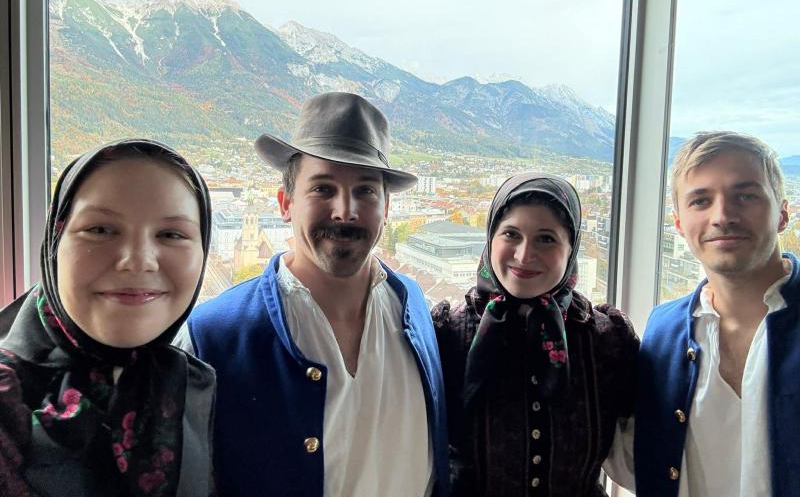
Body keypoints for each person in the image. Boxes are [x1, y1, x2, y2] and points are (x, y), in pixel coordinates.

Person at [176, 92, 449, 496]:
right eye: (323, 188)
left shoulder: (413, 303)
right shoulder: (212, 336)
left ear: (387, 208)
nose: (345, 210)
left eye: (366, 191)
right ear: (286, 203)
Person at [0, 138, 216, 497]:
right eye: (100, 230)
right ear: (55, 243)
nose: (138, 260)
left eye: (171, 234)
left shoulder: (190, 382)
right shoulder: (8, 397)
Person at [432, 173, 639, 496]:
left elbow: (645, 450)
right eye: (511, 234)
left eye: (546, 238)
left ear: (571, 248)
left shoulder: (607, 340)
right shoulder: (447, 334)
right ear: (491, 238)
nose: (524, 254)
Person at [635, 131, 799, 497]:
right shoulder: (661, 335)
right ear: (679, 223)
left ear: (783, 213)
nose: (722, 216)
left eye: (746, 195)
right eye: (700, 201)